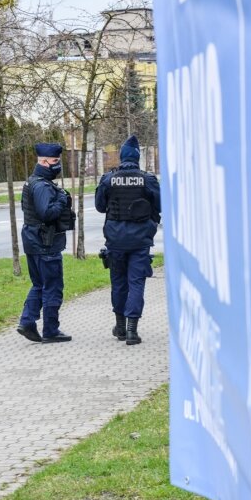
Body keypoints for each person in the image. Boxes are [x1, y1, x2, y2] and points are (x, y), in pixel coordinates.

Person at [95, 135, 161, 345]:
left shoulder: (108, 179)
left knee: (118, 283)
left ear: (121, 157)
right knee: (136, 283)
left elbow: (99, 206)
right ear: (138, 157)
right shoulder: (148, 179)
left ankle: (120, 327)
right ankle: (132, 331)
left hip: (115, 240)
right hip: (140, 240)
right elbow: (160, 206)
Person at [16, 142, 75, 343]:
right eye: (55, 161)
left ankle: (27, 322)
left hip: (35, 241)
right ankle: (50, 329)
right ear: (44, 161)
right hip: (45, 243)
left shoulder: (34, 181)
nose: (58, 165)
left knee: (39, 284)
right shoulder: (41, 185)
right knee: (52, 286)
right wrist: (62, 200)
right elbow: (46, 213)